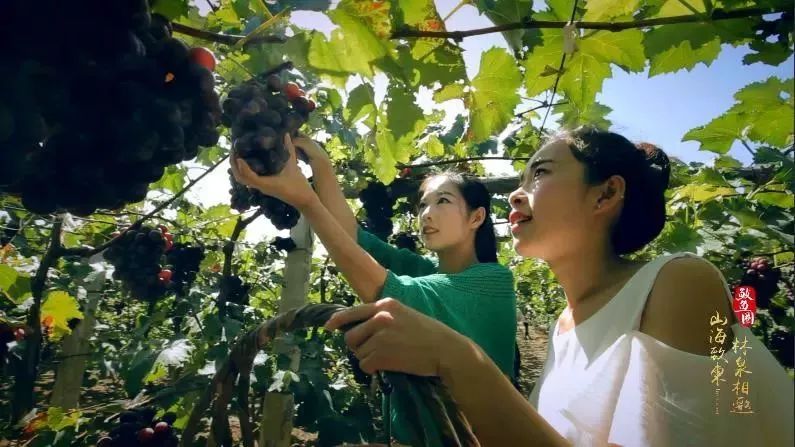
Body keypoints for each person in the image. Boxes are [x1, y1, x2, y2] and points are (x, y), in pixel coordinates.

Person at [325, 126, 794, 446]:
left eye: (541, 173)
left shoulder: (680, 282)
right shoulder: (563, 327)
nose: (516, 190)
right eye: (523, 176)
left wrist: (459, 360)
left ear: (606, 194)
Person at [230, 134, 517, 446]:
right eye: (422, 205)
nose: (426, 214)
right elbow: (351, 236)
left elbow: (381, 288)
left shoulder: (493, 282)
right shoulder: (424, 269)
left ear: (476, 217)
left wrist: (307, 201)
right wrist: (321, 164)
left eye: (443, 201)